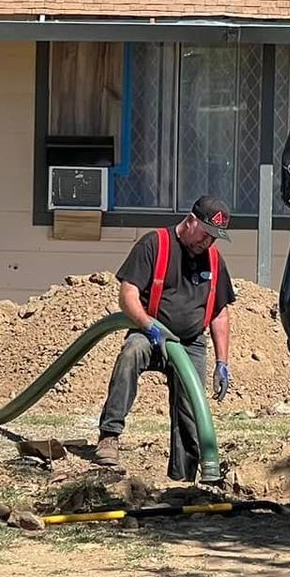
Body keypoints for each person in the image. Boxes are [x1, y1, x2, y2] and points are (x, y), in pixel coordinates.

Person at [93, 195, 236, 485]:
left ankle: (185, 477)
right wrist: (149, 326)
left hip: (191, 342)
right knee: (131, 353)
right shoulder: (154, 245)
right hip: (151, 333)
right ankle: (109, 436)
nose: (208, 242)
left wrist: (222, 362)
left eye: (214, 238)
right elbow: (128, 294)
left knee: (192, 408)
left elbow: (220, 313)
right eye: (206, 234)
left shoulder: (214, 260)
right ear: (191, 220)